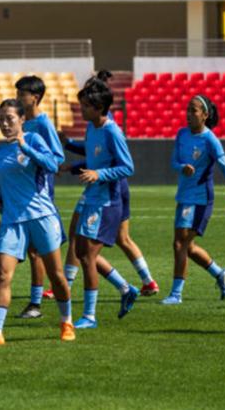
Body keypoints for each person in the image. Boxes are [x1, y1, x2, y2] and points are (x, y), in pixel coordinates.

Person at [0, 99, 74, 346]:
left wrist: (26, 147)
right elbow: (8, 184)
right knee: (2, 274)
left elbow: (52, 165)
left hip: (41, 217)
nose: (4, 124)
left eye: (10, 119)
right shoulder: (1, 150)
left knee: (56, 275)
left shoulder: (34, 139)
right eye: (1, 119)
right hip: (13, 221)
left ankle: (66, 322)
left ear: (22, 120)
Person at [71, 73, 140, 330]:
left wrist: (99, 174)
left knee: (88, 257)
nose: (81, 110)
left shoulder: (112, 131)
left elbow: (128, 167)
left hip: (107, 202)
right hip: (92, 197)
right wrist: (73, 167)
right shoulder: (92, 128)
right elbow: (93, 159)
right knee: (81, 252)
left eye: (85, 106)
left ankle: (89, 316)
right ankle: (126, 288)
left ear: (99, 107)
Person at [162, 94, 225, 306]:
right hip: (184, 196)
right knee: (188, 247)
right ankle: (219, 273)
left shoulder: (210, 140)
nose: (188, 114)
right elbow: (174, 161)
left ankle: (176, 294)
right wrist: (182, 168)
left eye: (193, 110)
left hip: (200, 199)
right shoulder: (182, 134)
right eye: (187, 109)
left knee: (180, 243)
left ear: (204, 115)